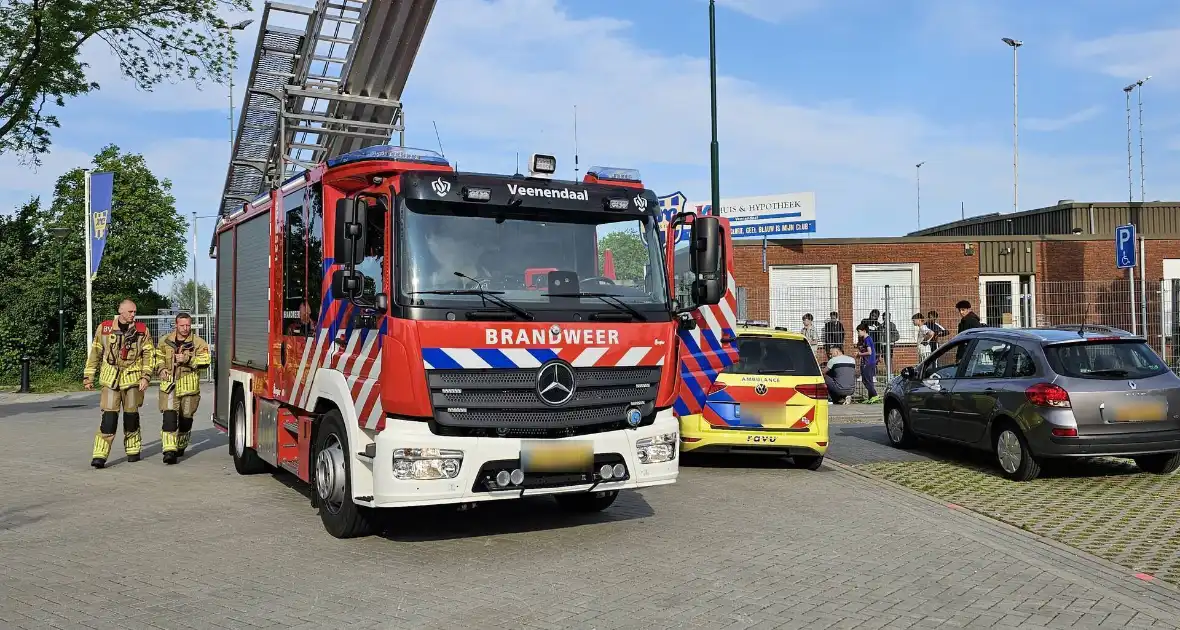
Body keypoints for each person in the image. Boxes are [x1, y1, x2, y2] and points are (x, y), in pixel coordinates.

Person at [84, 299, 155, 468]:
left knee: (131, 416)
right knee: (109, 418)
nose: (133, 315)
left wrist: (146, 377)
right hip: (110, 379)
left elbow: (149, 355)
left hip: (132, 379)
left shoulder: (142, 330)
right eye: (130, 312)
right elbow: (95, 353)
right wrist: (88, 376)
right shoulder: (105, 328)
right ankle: (99, 455)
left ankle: (133, 450)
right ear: (121, 311)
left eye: (135, 312)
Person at [156, 312, 212, 464]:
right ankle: (169, 451)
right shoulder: (165, 341)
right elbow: (157, 357)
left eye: (188, 325)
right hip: (169, 385)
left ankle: (180, 446)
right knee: (169, 418)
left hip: (189, 387)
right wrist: (161, 368)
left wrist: (188, 359)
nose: (185, 328)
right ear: (176, 325)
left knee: (186, 419)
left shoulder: (199, 342)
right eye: (182, 325)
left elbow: (206, 360)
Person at [855, 324, 879, 403]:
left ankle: (875, 395)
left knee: (866, 381)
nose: (858, 333)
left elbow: (869, 352)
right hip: (866, 362)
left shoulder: (867, 339)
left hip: (868, 363)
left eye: (859, 331)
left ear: (864, 331)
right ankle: (870, 397)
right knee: (868, 380)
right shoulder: (864, 340)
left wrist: (859, 354)